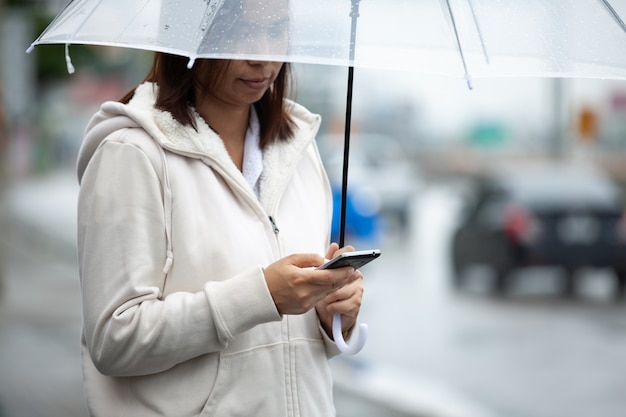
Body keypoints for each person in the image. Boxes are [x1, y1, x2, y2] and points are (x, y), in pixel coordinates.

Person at [75, 3, 364, 416]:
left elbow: (286, 351)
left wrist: (333, 315)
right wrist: (261, 295)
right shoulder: (132, 154)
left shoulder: (299, 151)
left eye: (276, 31)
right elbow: (114, 340)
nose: (263, 56)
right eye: (241, 33)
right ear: (189, 34)